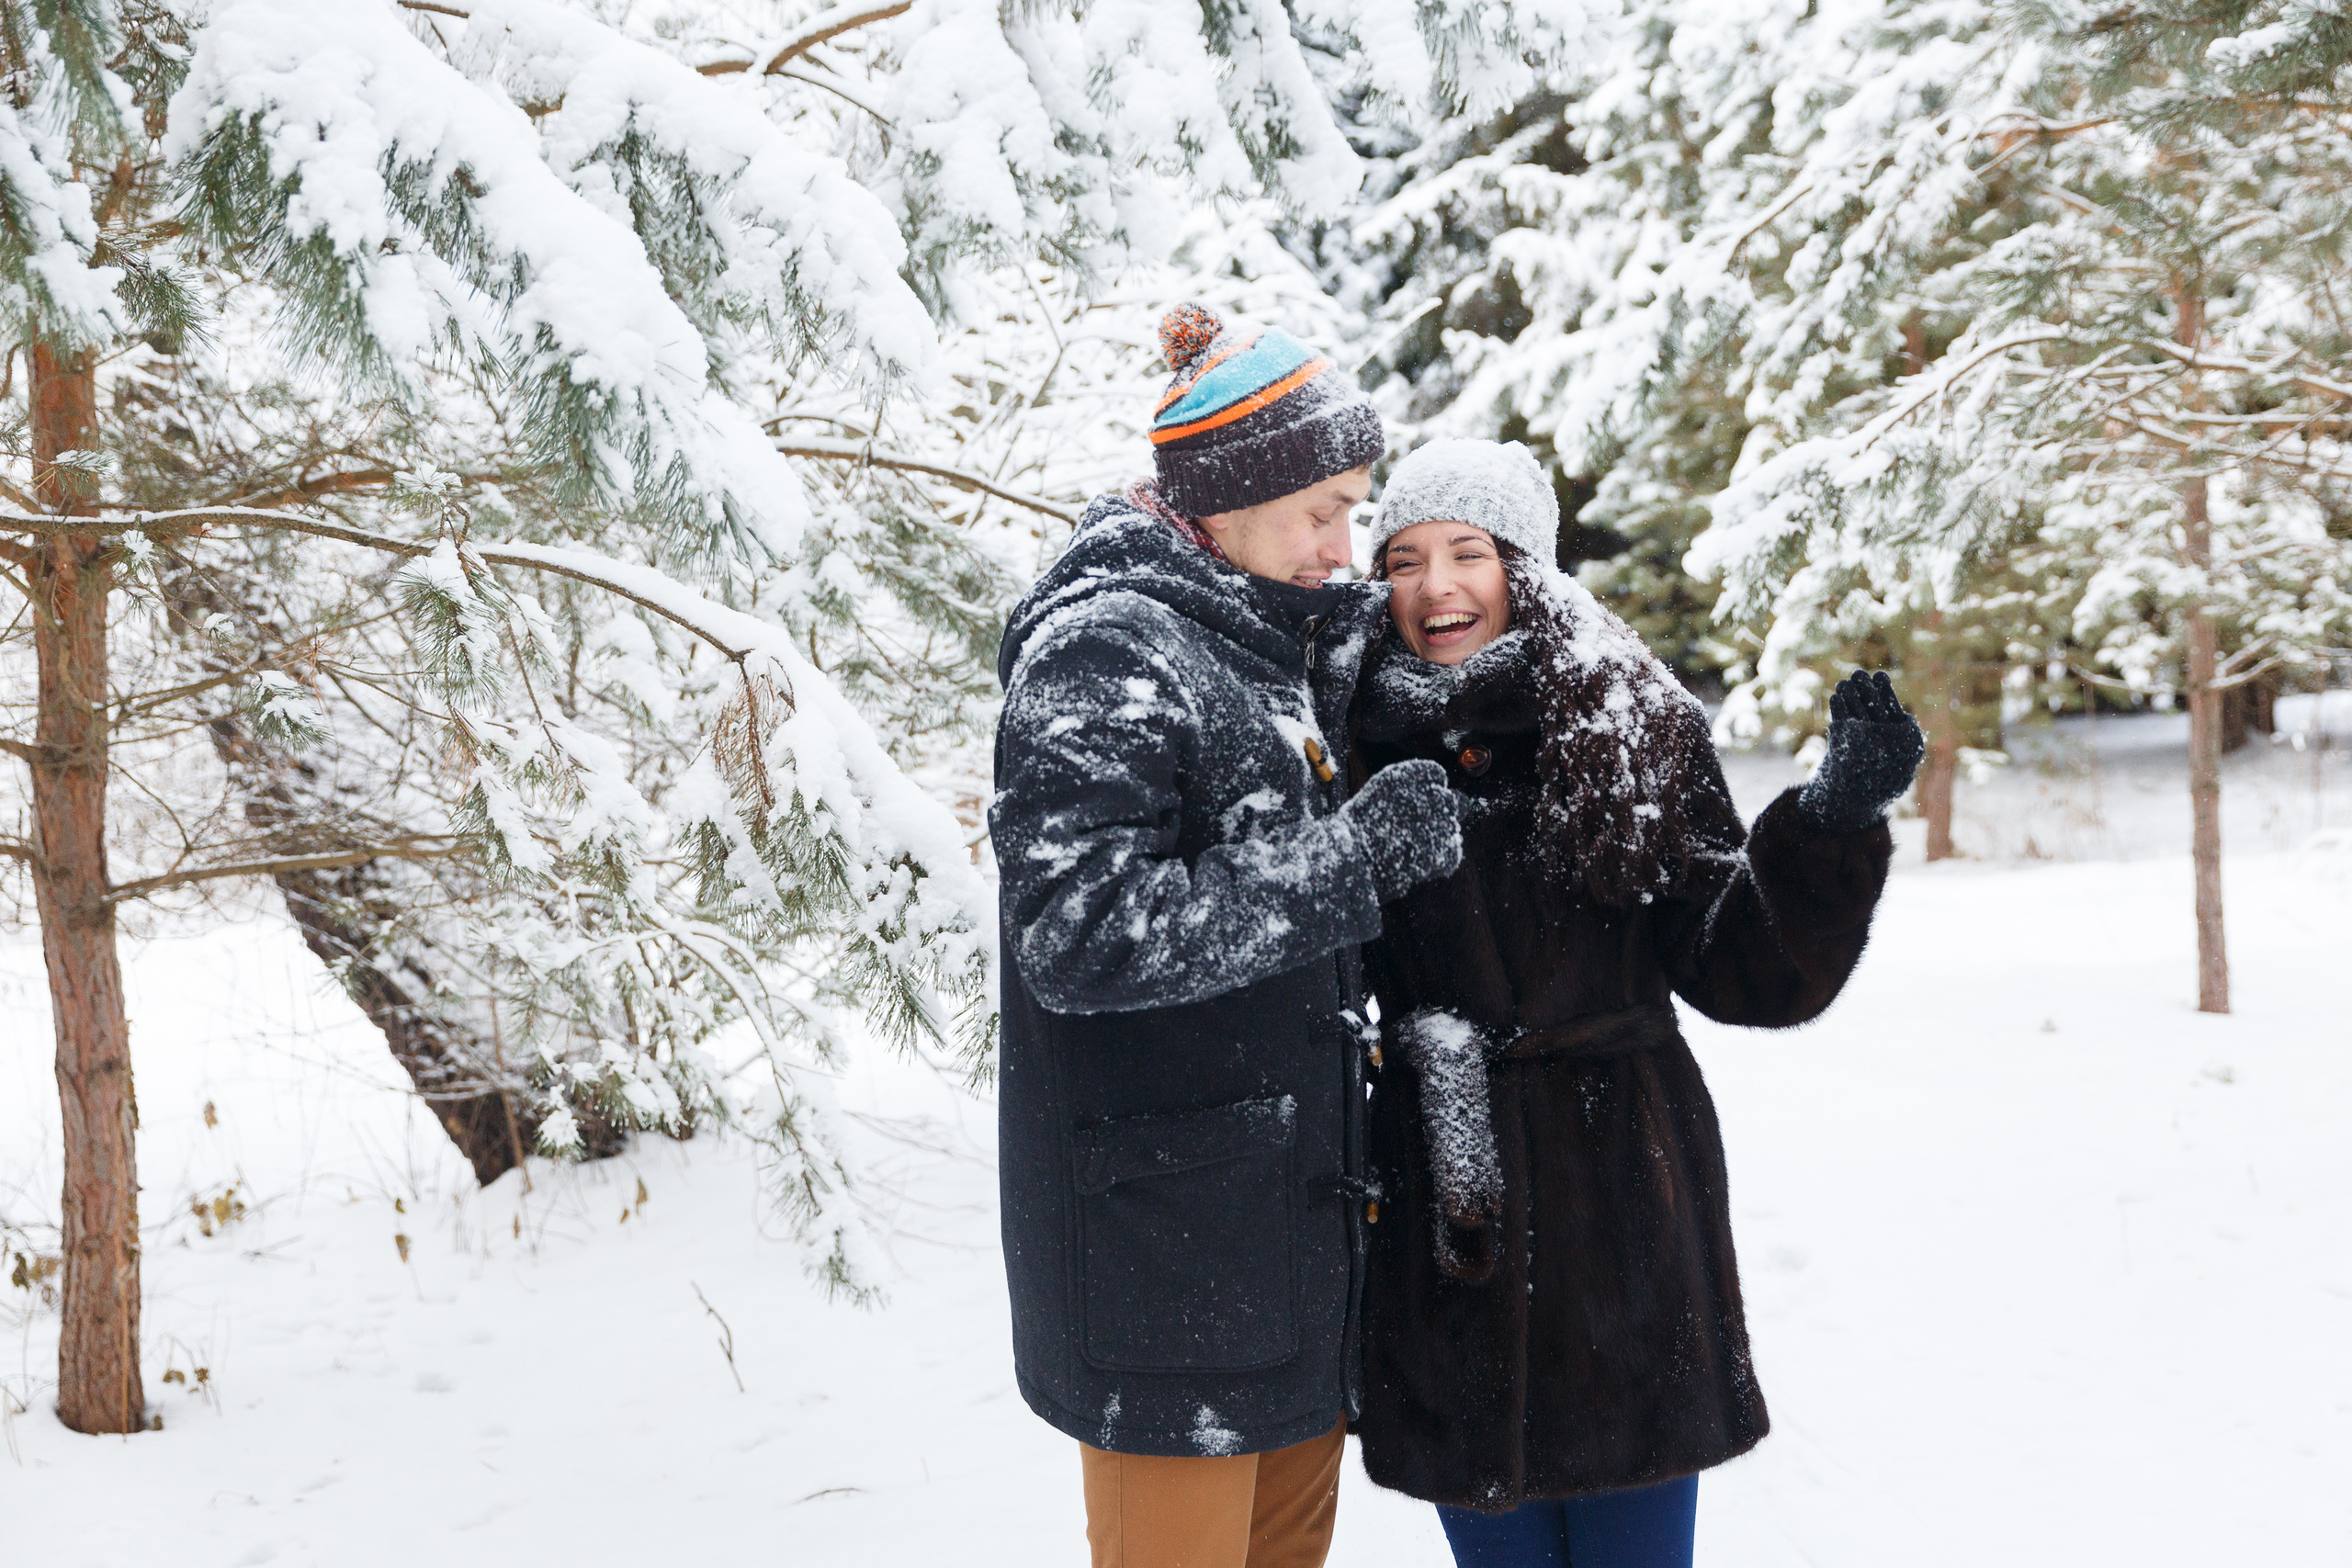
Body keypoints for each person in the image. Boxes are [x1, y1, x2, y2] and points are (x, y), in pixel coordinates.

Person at [1345, 438, 1924, 1568]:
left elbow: (1740, 966)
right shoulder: (1350, 736)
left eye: (1468, 552)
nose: (1435, 586)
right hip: (1441, 1208)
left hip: (1621, 1215)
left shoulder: (1630, 724)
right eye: (1404, 559)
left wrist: (1832, 820)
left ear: (1528, 568)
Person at [989, 304, 1465, 1568]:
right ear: (1230, 496)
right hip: (1169, 1268)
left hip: (1284, 1255)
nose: (1341, 544)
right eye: (1324, 508)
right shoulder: (1109, 648)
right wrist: (1349, 860)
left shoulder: (1257, 638)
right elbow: (1076, 930)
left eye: (1354, 509)